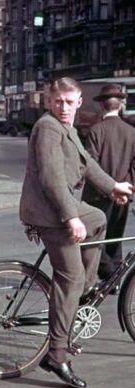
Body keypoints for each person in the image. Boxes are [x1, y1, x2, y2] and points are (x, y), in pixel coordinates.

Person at [19, 77, 133, 388]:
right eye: (58, 102)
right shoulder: (48, 127)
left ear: (80, 101)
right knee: (70, 278)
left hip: (61, 207)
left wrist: (113, 188)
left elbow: (88, 164)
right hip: (50, 212)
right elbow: (52, 179)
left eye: (70, 102)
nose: (64, 107)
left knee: (96, 218)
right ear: (48, 102)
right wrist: (71, 218)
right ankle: (56, 354)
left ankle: (84, 285)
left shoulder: (67, 128)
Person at [82, 84, 135, 294]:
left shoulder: (96, 130)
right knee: (116, 236)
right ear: (120, 105)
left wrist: (107, 187)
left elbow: (89, 164)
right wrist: (128, 188)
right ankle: (115, 279)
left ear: (102, 107)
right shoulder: (131, 132)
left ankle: (109, 274)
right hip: (124, 193)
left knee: (95, 238)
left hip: (97, 195)